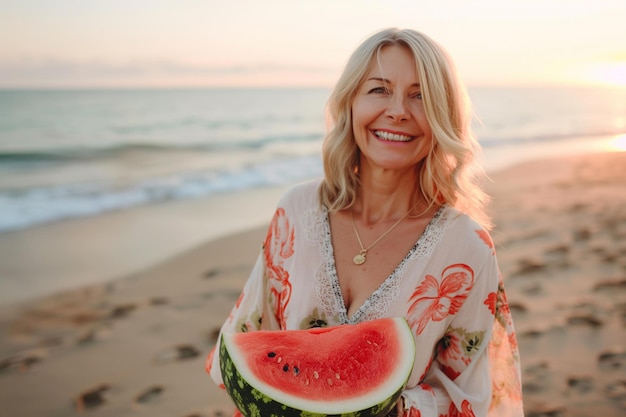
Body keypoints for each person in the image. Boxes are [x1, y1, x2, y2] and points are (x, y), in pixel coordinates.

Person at [206, 28, 523, 417]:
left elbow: (478, 396)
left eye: (420, 95)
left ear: (443, 115)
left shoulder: (467, 247)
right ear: (351, 102)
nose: (398, 111)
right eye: (379, 90)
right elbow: (244, 342)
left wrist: (392, 406)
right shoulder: (297, 211)